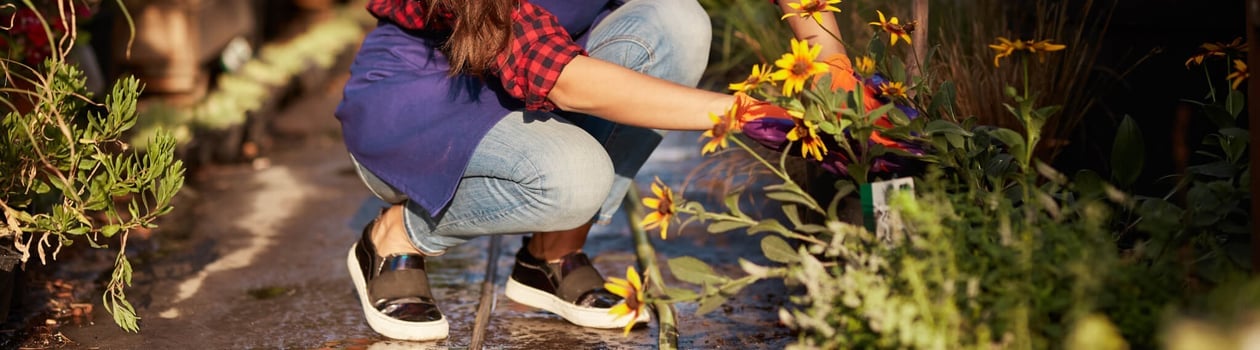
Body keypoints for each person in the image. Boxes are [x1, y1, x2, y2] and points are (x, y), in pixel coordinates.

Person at [334, 0, 844, 341]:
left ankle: (549, 259)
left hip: (547, 65)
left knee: (677, 20)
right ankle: (396, 236)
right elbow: (560, 79)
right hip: (428, 94)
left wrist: (829, 57)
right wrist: (754, 115)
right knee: (574, 178)